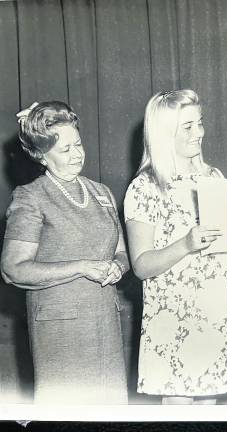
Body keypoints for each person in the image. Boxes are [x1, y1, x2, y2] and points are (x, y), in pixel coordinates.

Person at [124, 90, 227, 405]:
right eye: (188, 127)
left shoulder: (213, 177)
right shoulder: (144, 188)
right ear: (165, 134)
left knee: (209, 404)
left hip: (218, 313)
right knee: (179, 409)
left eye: (200, 123)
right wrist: (186, 243)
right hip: (174, 320)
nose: (200, 133)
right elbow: (141, 265)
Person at [1, 101, 129, 404]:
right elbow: (13, 269)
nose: (77, 154)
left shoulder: (102, 193)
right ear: (43, 156)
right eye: (65, 149)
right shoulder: (31, 198)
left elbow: (122, 252)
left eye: (78, 144)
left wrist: (118, 267)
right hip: (60, 331)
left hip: (104, 324)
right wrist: (81, 266)